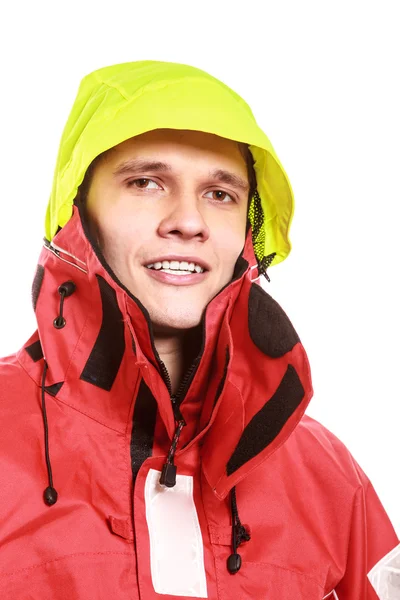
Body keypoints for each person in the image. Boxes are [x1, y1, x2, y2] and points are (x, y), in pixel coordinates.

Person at [0, 60, 398, 600]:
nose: (188, 220)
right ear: (76, 214)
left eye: (220, 194)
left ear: (248, 234)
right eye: (145, 182)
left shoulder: (327, 478)